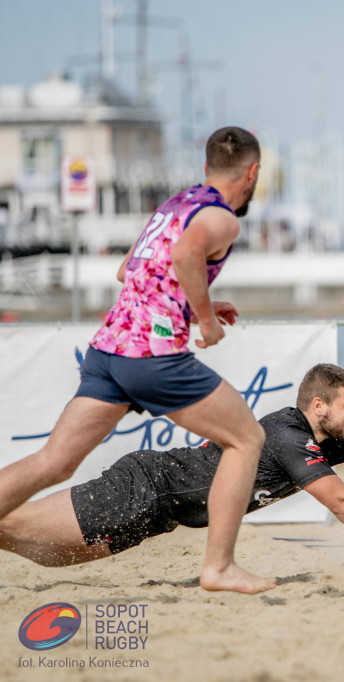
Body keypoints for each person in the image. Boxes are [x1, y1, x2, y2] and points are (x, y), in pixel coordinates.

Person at [0, 127, 273, 594]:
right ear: (252, 173)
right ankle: (220, 567)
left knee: (55, 461)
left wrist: (194, 302)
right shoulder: (224, 219)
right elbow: (187, 254)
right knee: (247, 439)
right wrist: (204, 319)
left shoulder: (174, 206)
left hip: (108, 349)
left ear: (207, 168)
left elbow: (130, 270)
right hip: (152, 356)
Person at [0, 364, 344, 569]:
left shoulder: (329, 437)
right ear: (318, 406)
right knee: (15, 523)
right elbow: (341, 501)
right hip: (145, 487)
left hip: (160, 517)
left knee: (36, 553)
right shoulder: (288, 434)